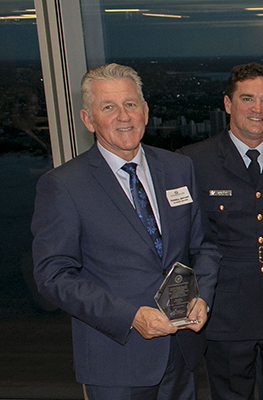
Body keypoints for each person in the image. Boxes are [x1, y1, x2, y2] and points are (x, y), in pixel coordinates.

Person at [31, 63, 220, 399]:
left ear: (145, 111)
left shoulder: (178, 168)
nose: (123, 116)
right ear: (88, 119)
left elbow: (203, 246)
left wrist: (202, 295)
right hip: (115, 359)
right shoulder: (63, 185)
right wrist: (130, 316)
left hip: (181, 353)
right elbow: (53, 275)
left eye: (130, 104)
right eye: (109, 107)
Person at [177, 63, 263, 400]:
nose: (257, 109)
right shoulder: (194, 162)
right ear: (227, 104)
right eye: (247, 98)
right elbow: (191, 239)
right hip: (225, 310)